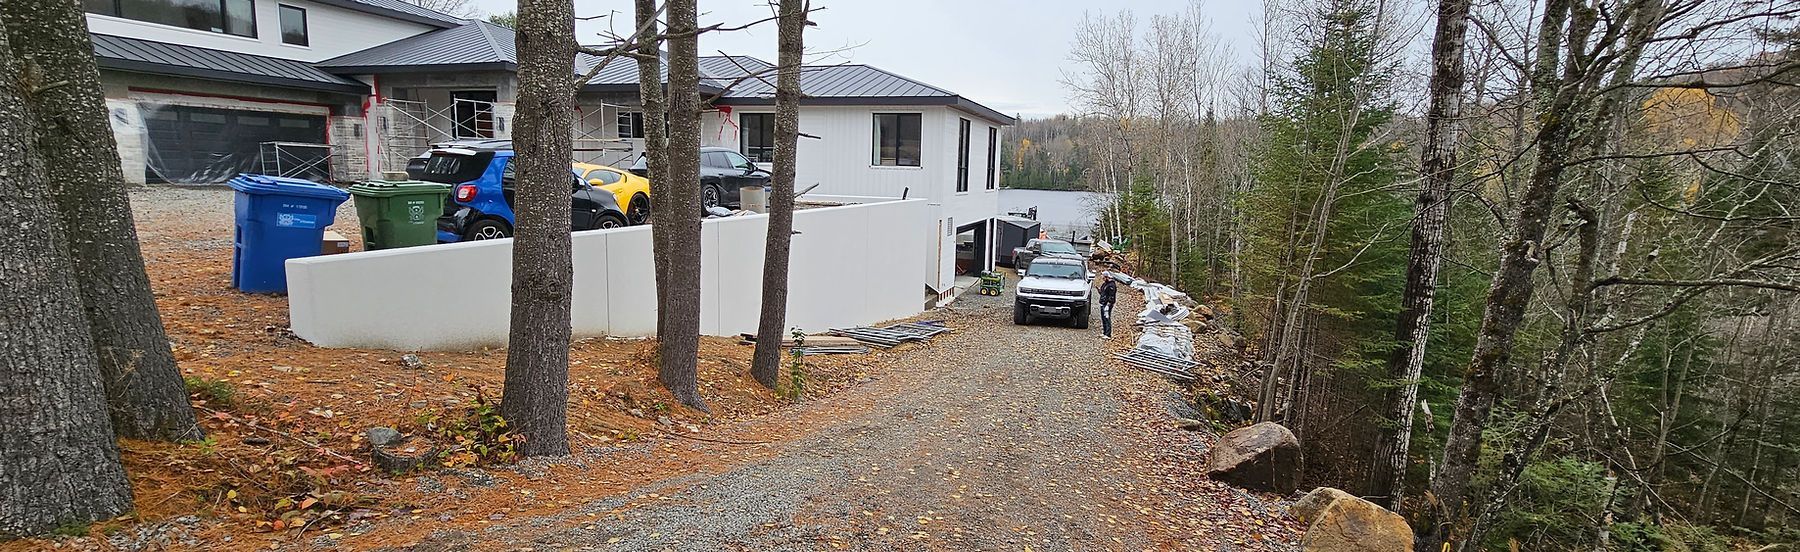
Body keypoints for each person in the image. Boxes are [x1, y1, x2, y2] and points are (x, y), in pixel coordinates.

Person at [1098, 275, 1118, 339]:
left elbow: (1111, 296)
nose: (1103, 279)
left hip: (1107, 304)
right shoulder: (1105, 284)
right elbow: (1102, 293)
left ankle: (1108, 334)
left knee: (1107, 318)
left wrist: (1108, 304)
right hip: (1103, 303)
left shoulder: (1111, 285)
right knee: (1103, 318)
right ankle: (1104, 332)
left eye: (1104, 278)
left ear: (1107, 277)